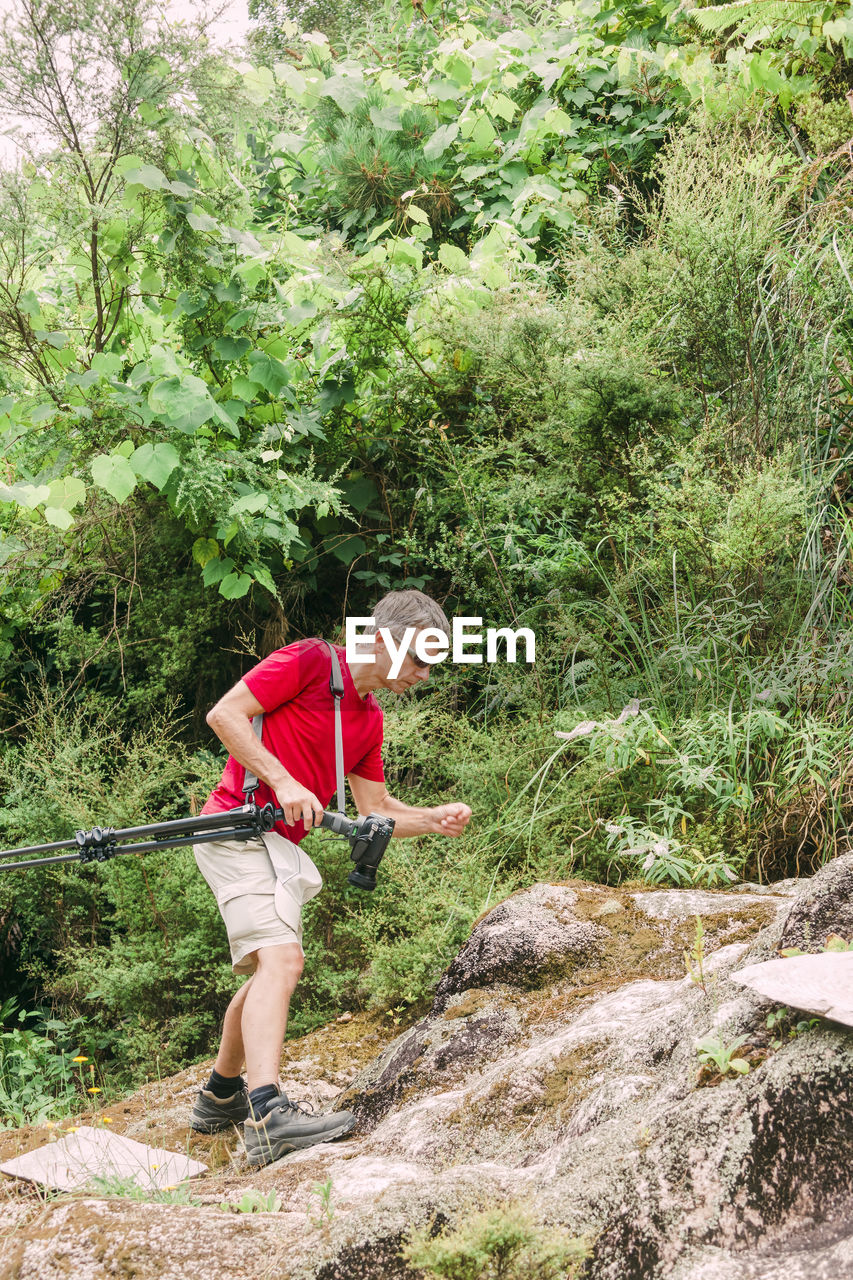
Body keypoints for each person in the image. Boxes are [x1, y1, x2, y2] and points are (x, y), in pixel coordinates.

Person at [190, 589, 472, 1167]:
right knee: (283, 961)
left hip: (277, 848)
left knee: (272, 969)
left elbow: (378, 810)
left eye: (431, 664)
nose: (423, 674)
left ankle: (220, 1095)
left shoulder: (369, 719)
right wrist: (285, 781)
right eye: (418, 659)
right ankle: (267, 1113)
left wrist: (431, 819)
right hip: (233, 828)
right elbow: (225, 714)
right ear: (382, 638)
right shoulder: (310, 661)